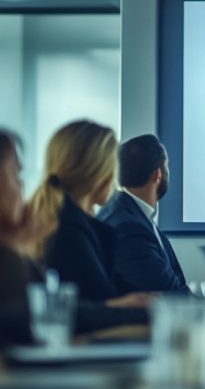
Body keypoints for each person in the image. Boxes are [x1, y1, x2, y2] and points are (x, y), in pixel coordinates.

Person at [0, 128, 146, 348]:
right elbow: (30, 319)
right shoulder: (66, 227)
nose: (22, 186)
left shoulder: (57, 222)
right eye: (16, 174)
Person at [28, 120, 153, 305]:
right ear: (99, 173)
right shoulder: (69, 229)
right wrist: (127, 306)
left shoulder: (58, 218)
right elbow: (92, 308)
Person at [97, 134, 189, 294]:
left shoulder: (131, 213)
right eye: (167, 166)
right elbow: (169, 293)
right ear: (157, 174)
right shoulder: (128, 227)